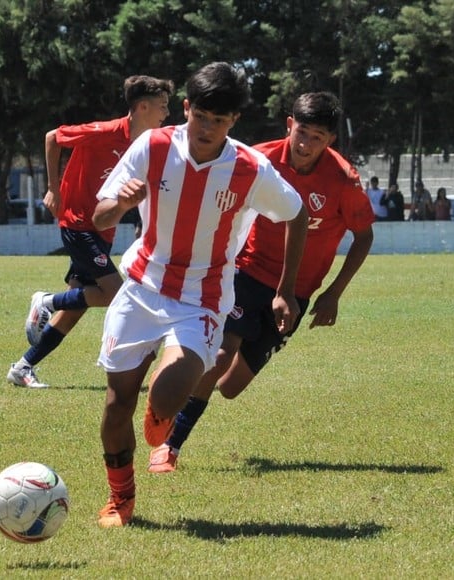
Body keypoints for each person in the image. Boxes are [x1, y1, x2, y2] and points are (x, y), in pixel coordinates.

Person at [91, 62, 309, 527]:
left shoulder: (250, 168)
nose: (207, 128)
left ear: (234, 122)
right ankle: (121, 498)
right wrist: (123, 203)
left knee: (169, 393)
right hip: (142, 286)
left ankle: (163, 416)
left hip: (203, 297)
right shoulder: (151, 147)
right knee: (115, 403)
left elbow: (295, 213)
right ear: (186, 108)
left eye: (220, 120)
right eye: (201, 116)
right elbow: (101, 217)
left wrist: (286, 290)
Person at [146, 91, 374, 474]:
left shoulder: (343, 180)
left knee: (230, 387)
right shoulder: (259, 160)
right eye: (301, 132)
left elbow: (364, 236)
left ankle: (181, 373)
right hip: (246, 273)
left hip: (296, 293)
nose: (305, 144)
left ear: (330, 140)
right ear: (289, 125)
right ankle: (170, 444)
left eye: (317, 137)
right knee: (218, 357)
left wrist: (332, 294)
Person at [7, 75, 175, 388]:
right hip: (78, 222)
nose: (167, 113)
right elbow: (52, 138)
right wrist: (53, 189)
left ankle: (22, 366)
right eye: (162, 107)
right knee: (114, 293)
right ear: (142, 107)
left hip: (102, 231)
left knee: (77, 306)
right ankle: (46, 301)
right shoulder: (106, 131)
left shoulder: (149, 144)